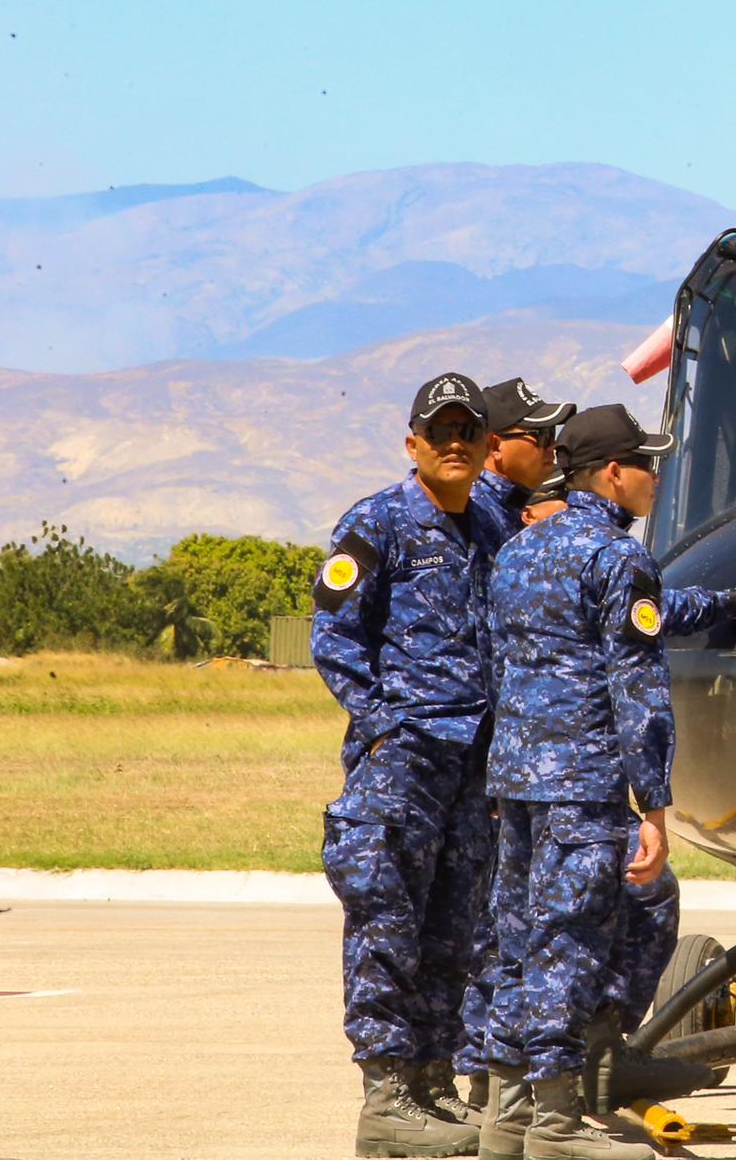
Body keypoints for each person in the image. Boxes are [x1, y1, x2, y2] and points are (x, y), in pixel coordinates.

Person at [480, 404, 736, 1159]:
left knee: (519, 941)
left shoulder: (519, 551)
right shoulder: (617, 557)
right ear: (613, 472)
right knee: (572, 943)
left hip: (517, 781)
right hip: (584, 785)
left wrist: (727, 603)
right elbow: (637, 684)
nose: (656, 476)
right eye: (646, 463)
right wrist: (653, 802)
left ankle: (507, 1115)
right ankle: (558, 1124)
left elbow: (510, 663)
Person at [312, 371, 507, 1159]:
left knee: (453, 927)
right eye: (441, 432)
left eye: (470, 432)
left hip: (474, 762)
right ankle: (387, 1094)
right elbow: (335, 640)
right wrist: (388, 727)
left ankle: (433, 1083)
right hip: (408, 760)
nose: (455, 443)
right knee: (389, 920)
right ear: (412, 444)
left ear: (488, 445)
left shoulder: (491, 521)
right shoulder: (377, 522)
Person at [456, 376, 577, 1110]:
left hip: (504, 753)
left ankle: (495, 1078)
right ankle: (487, 1081)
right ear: (498, 447)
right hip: (482, 756)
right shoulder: (477, 523)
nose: (552, 450)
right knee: (489, 927)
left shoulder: (510, 523)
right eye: (540, 438)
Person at [475, 378, 575, 542]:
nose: (553, 446)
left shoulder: (508, 505)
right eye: (543, 435)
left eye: (552, 432)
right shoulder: (475, 511)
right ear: (495, 445)